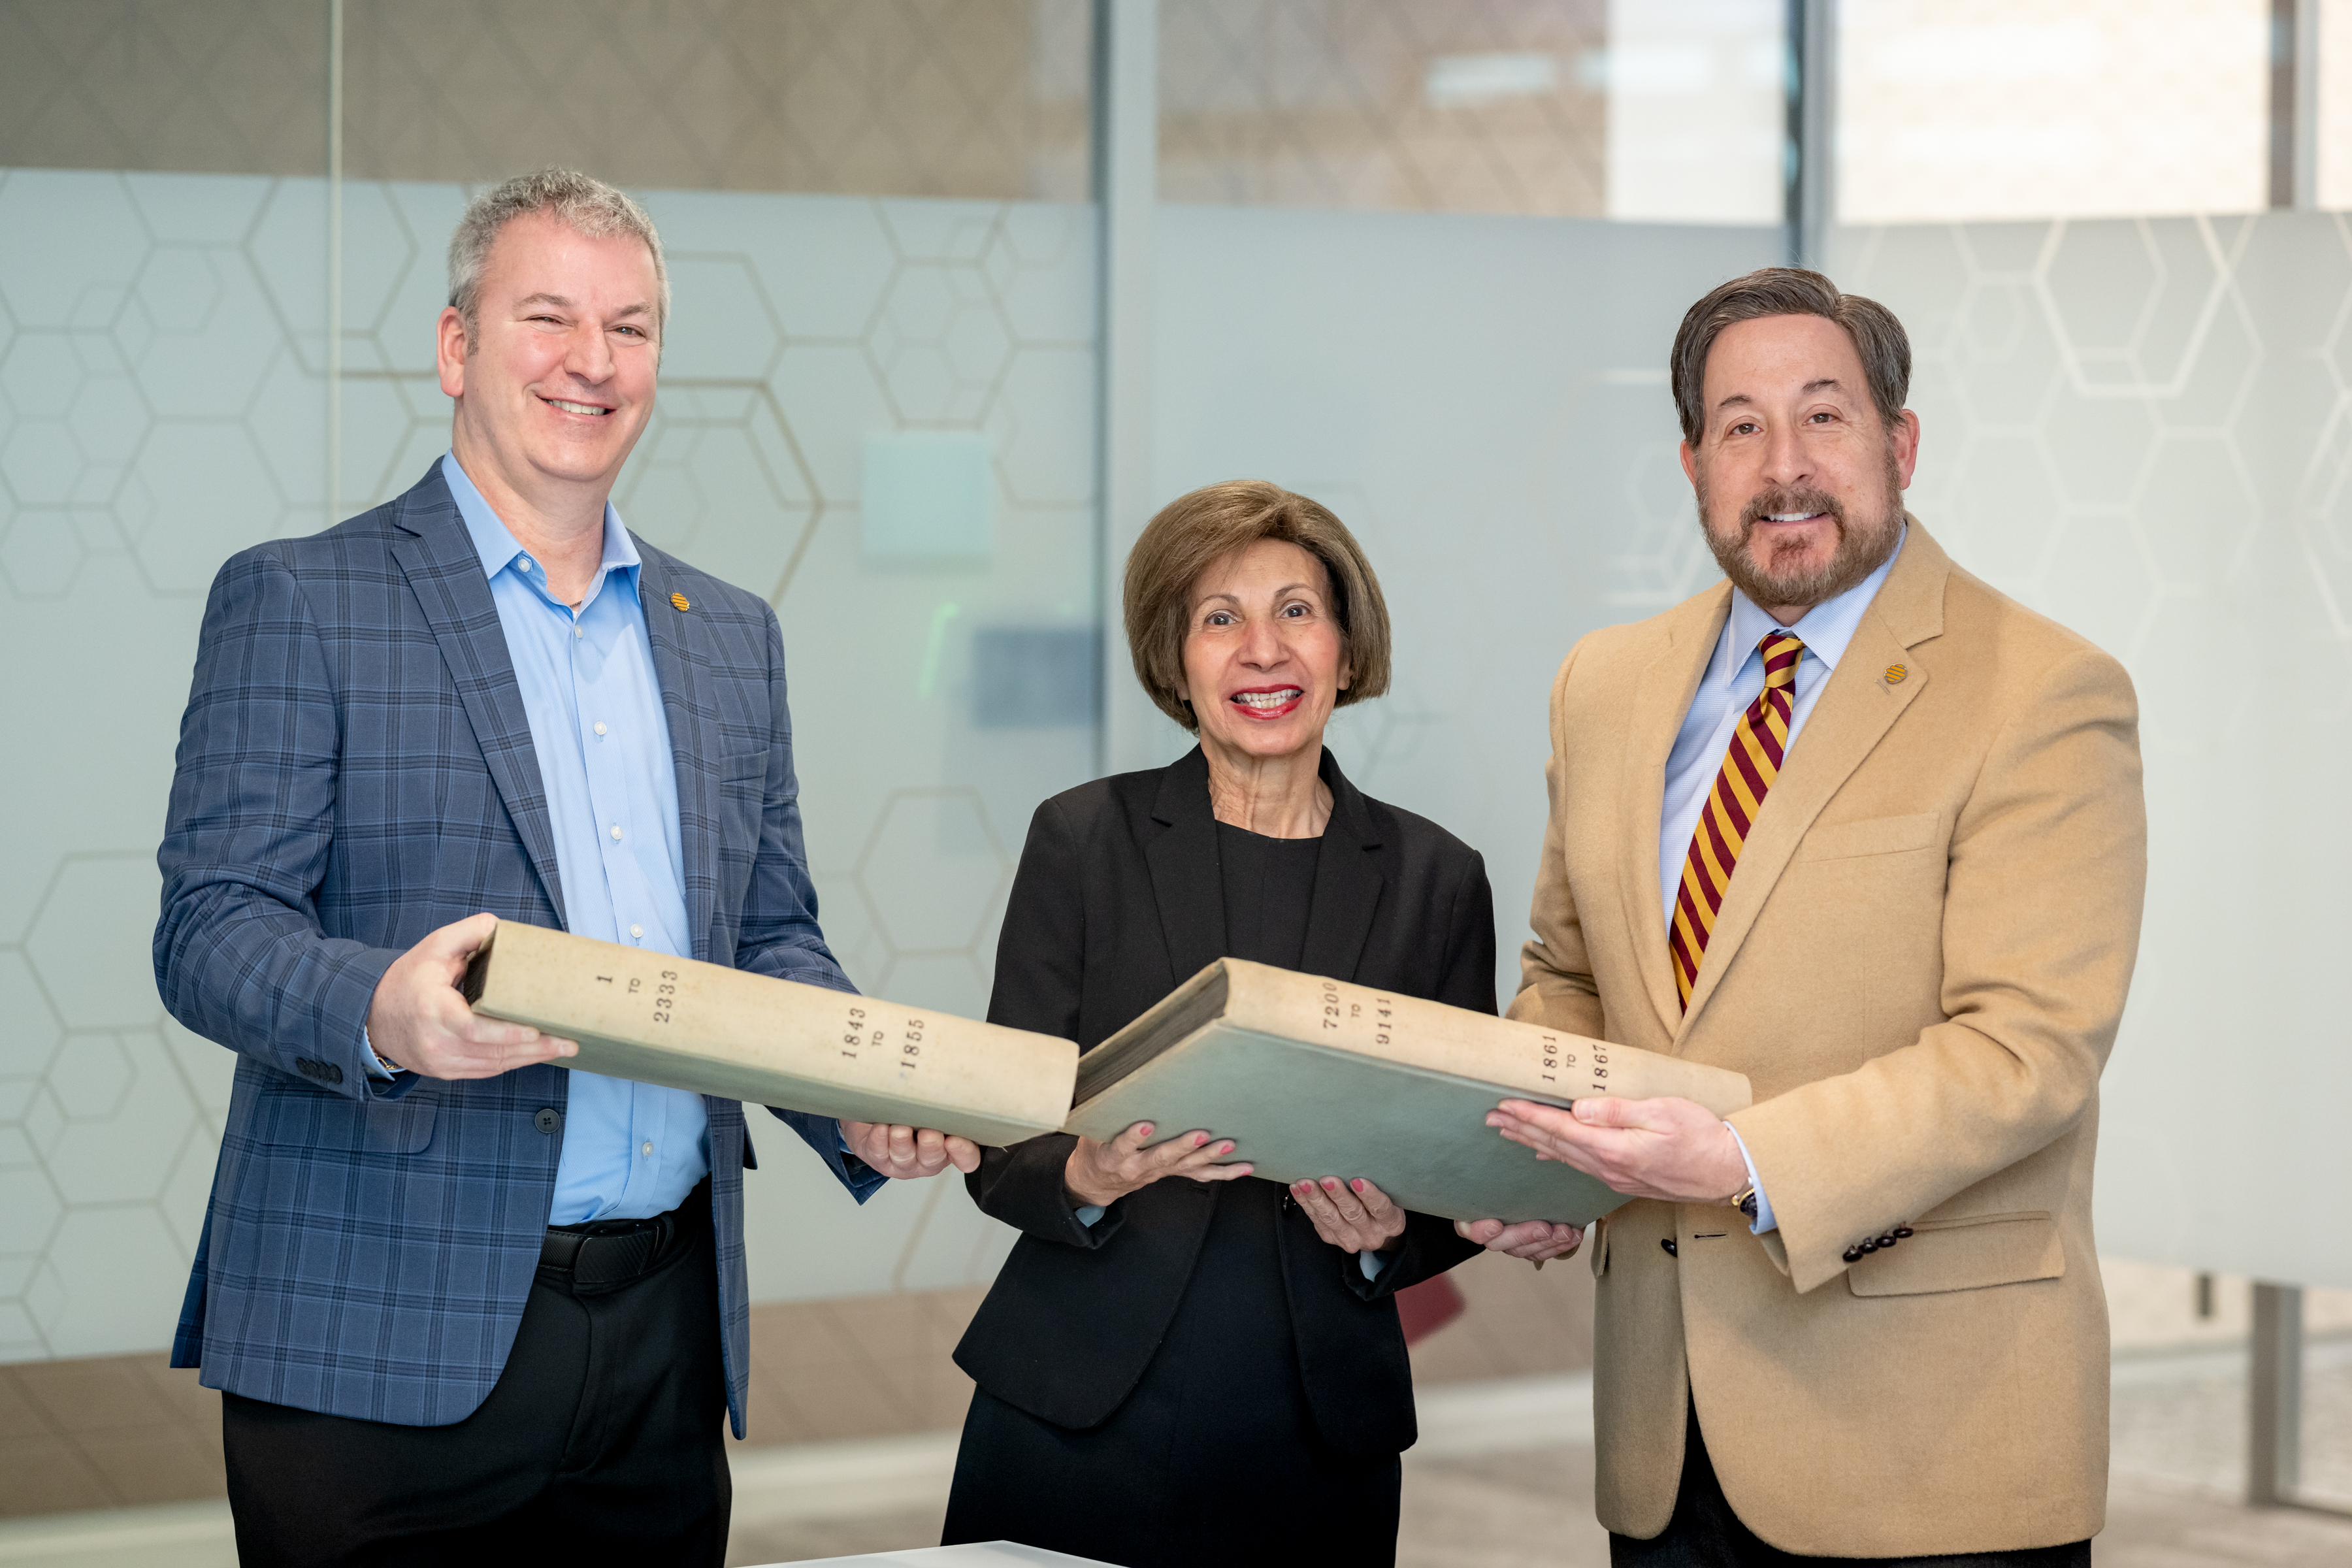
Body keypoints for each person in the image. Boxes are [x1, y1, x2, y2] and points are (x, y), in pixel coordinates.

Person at [153, 169, 977, 1567]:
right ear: (457, 346)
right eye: (550, 318)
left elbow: (768, 936)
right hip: (379, 1344)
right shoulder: (302, 598)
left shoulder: (729, 634)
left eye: (632, 327)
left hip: (658, 1344)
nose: (594, 363)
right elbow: (210, 928)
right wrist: (381, 1012)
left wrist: (858, 1105)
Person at [1488, 268, 2146, 1565]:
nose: (1783, 466)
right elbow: (1568, 973)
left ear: (1900, 443)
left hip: (1932, 1444)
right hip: (1666, 1445)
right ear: (1691, 461)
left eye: (1823, 417)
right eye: (1740, 426)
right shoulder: (1604, 684)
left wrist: (1737, 1161)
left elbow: (2029, 1053)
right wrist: (1544, 1154)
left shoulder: (2045, 691)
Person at [939, 482, 1577, 1565]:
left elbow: (1449, 1165)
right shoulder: (1084, 842)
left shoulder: (1435, 878)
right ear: (1175, 658)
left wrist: (1390, 1243)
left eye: (1296, 612)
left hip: (1318, 1423)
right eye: (1219, 618)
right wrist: (1087, 1175)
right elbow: (1000, 1138)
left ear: (1345, 644)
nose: (1262, 652)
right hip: (1075, 1402)